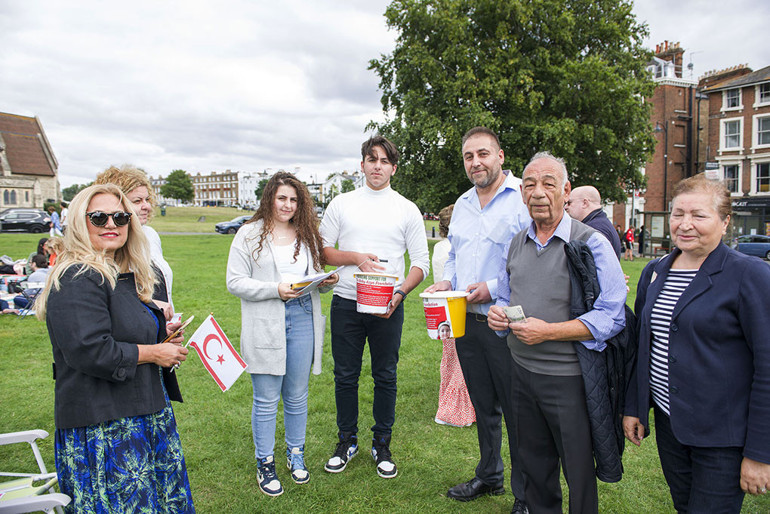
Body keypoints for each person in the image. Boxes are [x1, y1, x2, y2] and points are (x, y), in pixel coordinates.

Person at [35, 183, 194, 513]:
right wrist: (153, 353)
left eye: (120, 217)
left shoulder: (125, 273)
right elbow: (90, 350)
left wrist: (161, 335)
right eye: (99, 217)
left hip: (145, 410)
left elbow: (121, 328)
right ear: (81, 221)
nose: (111, 224)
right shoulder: (77, 276)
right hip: (105, 425)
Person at [488, 152, 626, 514]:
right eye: (529, 184)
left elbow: (612, 316)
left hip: (569, 379)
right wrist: (499, 315)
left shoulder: (590, 242)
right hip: (521, 373)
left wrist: (549, 332)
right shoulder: (516, 243)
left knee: (578, 473)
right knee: (533, 467)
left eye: (548, 183)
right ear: (522, 194)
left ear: (565, 191)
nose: (538, 192)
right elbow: (505, 294)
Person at [623, 174, 770, 513]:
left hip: (723, 436)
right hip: (671, 427)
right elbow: (644, 346)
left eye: (698, 215)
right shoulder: (656, 270)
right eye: (678, 214)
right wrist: (635, 405)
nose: (685, 224)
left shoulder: (749, 275)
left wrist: (760, 453)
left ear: (725, 221)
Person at [426, 127, 529, 512]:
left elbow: (530, 260)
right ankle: (490, 475)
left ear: (500, 156)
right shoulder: (464, 202)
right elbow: (453, 253)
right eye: (469, 156)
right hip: (466, 322)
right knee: (484, 406)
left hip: (505, 323)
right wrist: (448, 279)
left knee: (517, 412)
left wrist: (490, 285)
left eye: (483, 154)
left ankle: (525, 491)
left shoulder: (520, 199)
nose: (476, 163)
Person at [319, 135, 429, 479]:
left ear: (393, 168)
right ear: (362, 164)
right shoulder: (342, 203)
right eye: (371, 159)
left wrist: (399, 294)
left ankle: (382, 442)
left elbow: (421, 264)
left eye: (384, 161)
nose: (377, 166)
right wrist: (355, 257)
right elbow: (322, 250)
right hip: (347, 303)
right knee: (345, 375)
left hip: (388, 307)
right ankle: (346, 441)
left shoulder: (406, 209)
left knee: (386, 375)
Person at [226, 172, 338, 497]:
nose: (287, 205)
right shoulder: (248, 234)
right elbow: (235, 282)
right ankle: (265, 461)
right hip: (266, 318)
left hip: (303, 316)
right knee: (266, 397)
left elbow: (310, 275)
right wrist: (274, 289)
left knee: (297, 394)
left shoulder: (306, 234)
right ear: (269, 199)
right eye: (281, 198)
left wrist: (324, 281)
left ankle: (296, 452)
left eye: (293, 199)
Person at [95, 165, 175, 311]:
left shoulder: (150, 235)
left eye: (147, 199)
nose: (147, 207)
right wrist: (150, 306)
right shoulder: (106, 243)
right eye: (137, 201)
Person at [431, 204, 475, 428]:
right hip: (456, 307)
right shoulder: (454, 248)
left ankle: (450, 399)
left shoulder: (439, 247)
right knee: (460, 361)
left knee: (449, 358)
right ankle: (455, 409)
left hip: (442, 310)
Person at [565, 185, 622, 259]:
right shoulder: (600, 224)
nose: (565, 207)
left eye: (569, 203)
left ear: (585, 203)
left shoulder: (595, 230)